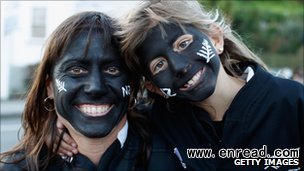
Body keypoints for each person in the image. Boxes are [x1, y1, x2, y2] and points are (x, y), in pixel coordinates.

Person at [53, 1, 303, 170]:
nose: (179, 66)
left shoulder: (294, 104)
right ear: (153, 86)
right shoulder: (163, 120)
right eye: (159, 65)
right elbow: (102, 114)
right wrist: (54, 122)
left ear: (215, 39)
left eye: (183, 44)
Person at [0, 11, 184, 171]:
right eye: (76, 70)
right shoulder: (18, 167)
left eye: (112, 70)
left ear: (133, 85)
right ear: (50, 87)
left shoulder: (176, 150)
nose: (95, 87)